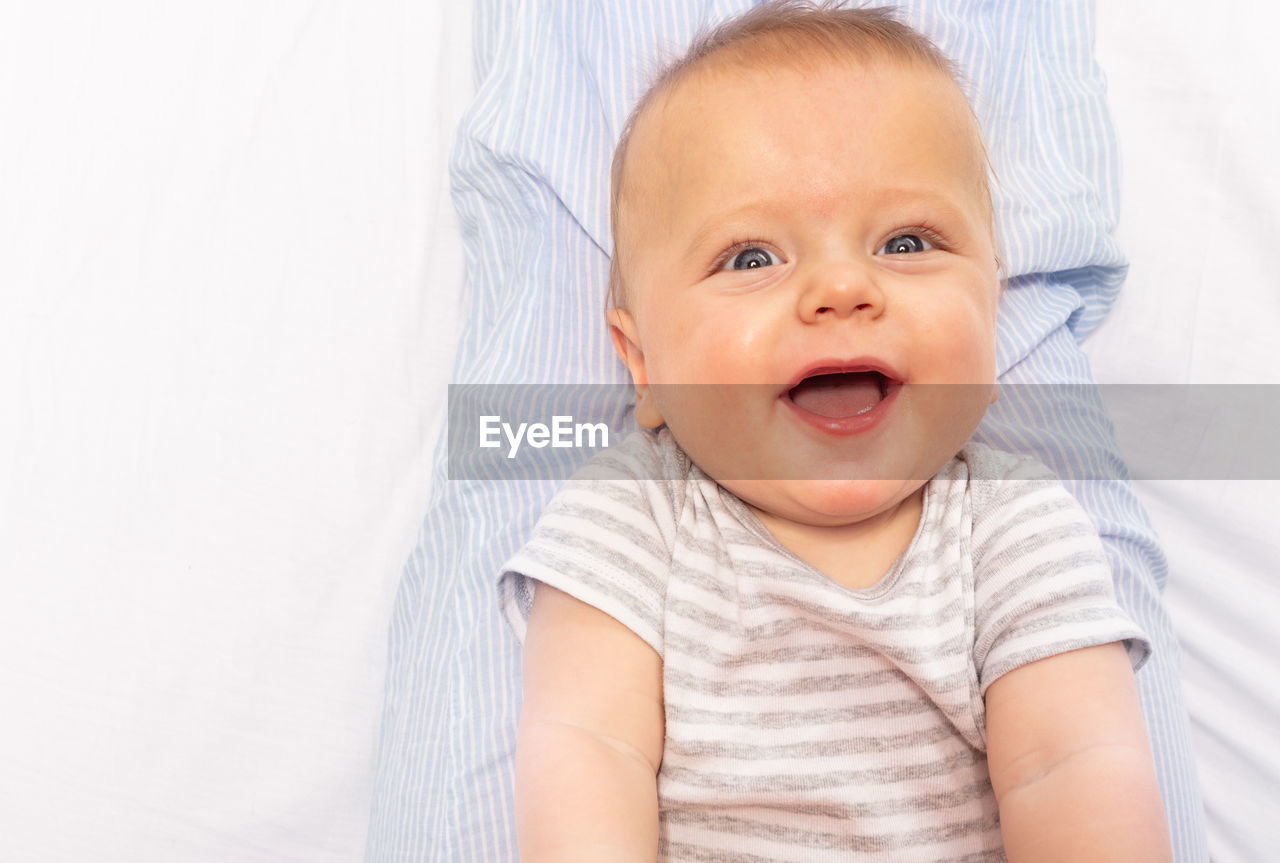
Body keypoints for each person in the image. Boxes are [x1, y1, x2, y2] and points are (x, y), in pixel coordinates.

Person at [498, 5, 1173, 861]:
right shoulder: (632, 517)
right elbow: (588, 748)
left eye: (906, 241)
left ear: (993, 314)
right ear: (644, 362)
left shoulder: (1013, 524)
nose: (843, 286)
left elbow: (1072, 766)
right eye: (751, 258)